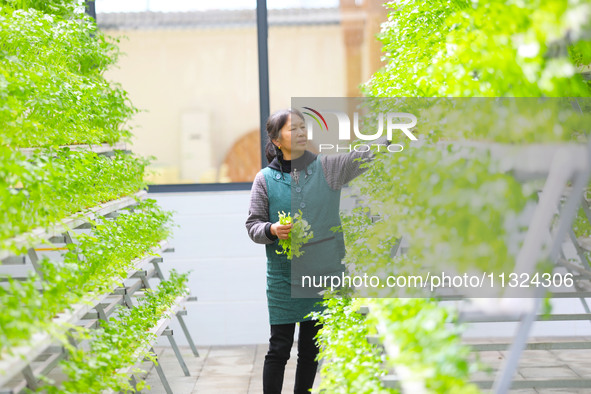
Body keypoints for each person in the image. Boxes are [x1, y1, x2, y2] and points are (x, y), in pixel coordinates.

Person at [245, 108, 388, 393]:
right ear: (276, 140)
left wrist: (393, 137)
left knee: (311, 350)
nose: (300, 133)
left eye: (302, 127)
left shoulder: (327, 167)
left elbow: (363, 157)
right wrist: (272, 230)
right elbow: (253, 225)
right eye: (292, 129)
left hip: (323, 274)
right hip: (284, 276)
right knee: (279, 348)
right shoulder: (264, 179)